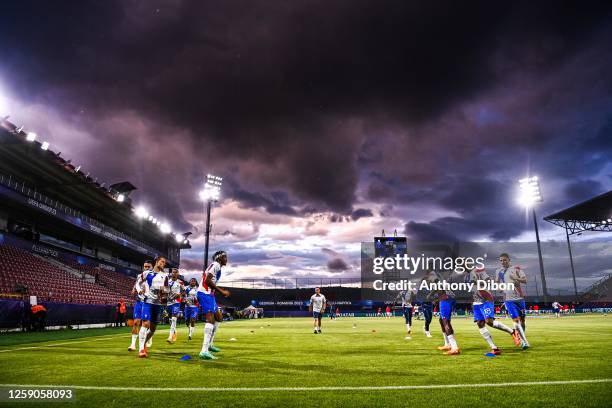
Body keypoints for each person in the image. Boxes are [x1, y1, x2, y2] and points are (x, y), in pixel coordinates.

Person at [464, 267, 520, 355]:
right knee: (480, 324)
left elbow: (489, 281)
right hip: (476, 302)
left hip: (486, 300)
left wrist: (478, 283)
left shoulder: (478, 270)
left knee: (489, 321)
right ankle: (494, 348)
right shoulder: (465, 277)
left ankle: (513, 332)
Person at [198, 251, 231, 360]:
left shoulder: (218, 267)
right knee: (210, 320)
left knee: (219, 317)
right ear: (219, 258)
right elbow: (207, 280)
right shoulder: (216, 265)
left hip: (209, 295)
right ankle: (204, 351)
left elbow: (210, 280)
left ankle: (210, 345)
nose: (226, 258)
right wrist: (221, 291)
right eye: (224, 257)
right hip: (204, 293)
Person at [496, 253, 530, 349]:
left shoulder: (517, 268)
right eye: (501, 260)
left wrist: (516, 278)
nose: (503, 262)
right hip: (508, 299)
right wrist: (499, 288)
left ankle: (521, 337)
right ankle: (524, 341)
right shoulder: (499, 271)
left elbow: (525, 280)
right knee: (515, 320)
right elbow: (497, 281)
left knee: (522, 320)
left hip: (519, 298)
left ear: (509, 260)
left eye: (504, 260)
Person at [138, 256, 168, 358]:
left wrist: (163, 295)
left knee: (153, 329)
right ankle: (141, 349)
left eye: (164, 263)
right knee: (145, 323)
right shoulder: (147, 273)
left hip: (158, 304)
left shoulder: (165, 276)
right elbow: (138, 284)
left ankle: (144, 343)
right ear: (157, 261)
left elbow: (166, 290)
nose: (162, 263)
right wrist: (139, 291)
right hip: (148, 301)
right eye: (161, 261)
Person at [427, 270, 460, 355]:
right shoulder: (438, 274)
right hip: (448, 298)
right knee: (442, 320)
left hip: (446, 299)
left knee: (445, 321)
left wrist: (431, 295)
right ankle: (447, 344)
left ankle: (454, 347)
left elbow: (439, 286)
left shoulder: (433, 274)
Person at [128, 261, 151, 351]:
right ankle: (133, 344)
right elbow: (136, 284)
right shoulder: (139, 276)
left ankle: (149, 338)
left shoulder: (154, 276)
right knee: (136, 322)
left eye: (148, 267)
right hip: (139, 301)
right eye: (145, 266)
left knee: (146, 323)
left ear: (152, 267)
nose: (146, 268)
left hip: (148, 302)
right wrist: (134, 289)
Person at [165, 268, 185, 344]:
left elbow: (184, 292)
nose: (174, 273)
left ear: (178, 274)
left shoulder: (180, 282)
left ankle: (170, 337)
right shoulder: (167, 282)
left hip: (176, 302)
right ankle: (174, 331)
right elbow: (165, 291)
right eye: (173, 272)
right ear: (171, 273)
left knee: (173, 318)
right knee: (170, 319)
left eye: (176, 272)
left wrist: (179, 295)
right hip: (168, 302)